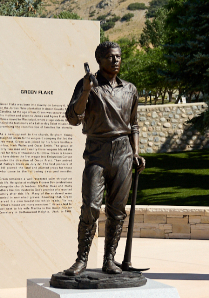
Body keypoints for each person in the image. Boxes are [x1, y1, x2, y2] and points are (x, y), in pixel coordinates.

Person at [62, 41, 146, 276]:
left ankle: (109, 259)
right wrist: (86, 91)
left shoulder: (130, 89)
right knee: (90, 207)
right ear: (99, 60)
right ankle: (81, 260)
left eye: (118, 56)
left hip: (123, 153)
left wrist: (136, 153)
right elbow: (73, 118)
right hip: (96, 151)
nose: (116, 60)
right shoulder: (88, 85)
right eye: (110, 57)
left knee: (117, 211)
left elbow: (134, 125)